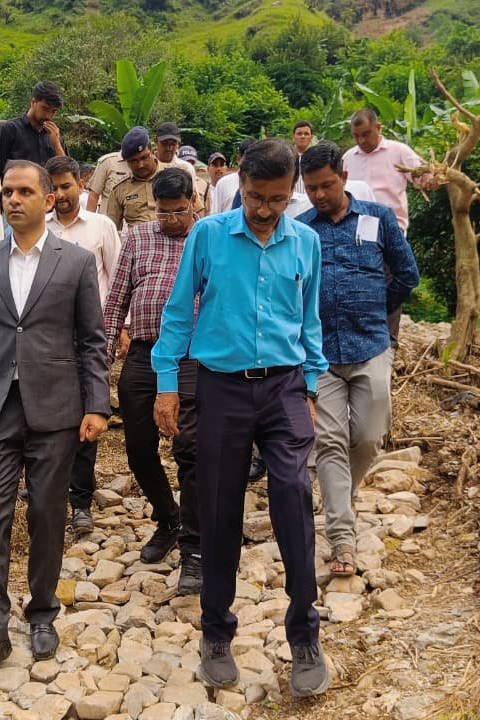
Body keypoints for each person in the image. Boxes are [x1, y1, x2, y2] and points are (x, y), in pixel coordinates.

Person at [152, 138, 331, 697]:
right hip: (221, 388)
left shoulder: (305, 242)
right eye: (255, 197)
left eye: (277, 199)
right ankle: (216, 632)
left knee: (293, 495)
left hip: (284, 387)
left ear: (291, 193)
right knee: (218, 506)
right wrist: (166, 384)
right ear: (241, 185)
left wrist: (311, 386)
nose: (264, 209)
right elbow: (178, 313)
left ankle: (305, 636)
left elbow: (310, 320)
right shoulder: (208, 235)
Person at [0, 160, 111, 674]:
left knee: (46, 514)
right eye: (7, 192)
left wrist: (97, 404)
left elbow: (91, 341)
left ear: (47, 200)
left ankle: (42, 613)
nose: (13, 199)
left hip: (56, 408)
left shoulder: (75, 262)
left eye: (24, 192)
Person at [297, 140, 419, 578]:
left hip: (371, 345)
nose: (319, 195)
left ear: (344, 178)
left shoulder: (378, 218)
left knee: (368, 437)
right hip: (321, 354)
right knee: (329, 441)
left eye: (326, 185)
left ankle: (340, 497)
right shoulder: (301, 229)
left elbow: (407, 274)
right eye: (311, 188)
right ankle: (342, 538)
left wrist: (376, 306)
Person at [103, 167, 203, 595]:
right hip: (144, 352)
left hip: (194, 357)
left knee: (190, 450)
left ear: (193, 203)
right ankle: (168, 518)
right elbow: (116, 301)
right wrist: (102, 359)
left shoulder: (207, 238)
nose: (171, 220)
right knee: (139, 448)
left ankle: (195, 547)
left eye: (178, 211)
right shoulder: (139, 237)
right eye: (163, 212)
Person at [45, 155, 122, 535]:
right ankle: (49, 486)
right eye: (53, 188)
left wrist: (120, 327)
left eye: (66, 186)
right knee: (46, 412)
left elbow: (118, 277)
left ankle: (80, 502)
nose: (60, 194)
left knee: (88, 413)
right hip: (46, 336)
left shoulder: (101, 226)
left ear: (81, 183)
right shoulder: (38, 229)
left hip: (91, 335)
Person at [343, 109, 437, 347]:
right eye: (356, 136)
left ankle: (389, 343)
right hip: (356, 232)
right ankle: (362, 339)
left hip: (391, 231)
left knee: (392, 281)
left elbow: (423, 176)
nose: (361, 140)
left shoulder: (399, 152)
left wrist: (431, 179)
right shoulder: (348, 158)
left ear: (378, 128)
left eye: (366, 134)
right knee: (359, 283)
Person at [0, 81, 66, 241]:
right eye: (45, 108)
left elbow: (66, 173)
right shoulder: (10, 129)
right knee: (2, 246)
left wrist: (57, 144)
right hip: (14, 207)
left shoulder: (54, 135)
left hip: (48, 211)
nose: (49, 116)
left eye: (54, 112)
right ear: (33, 102)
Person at [105, 126, 193, 231]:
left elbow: (197, 212)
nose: (140, 165)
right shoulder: (119, 189)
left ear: (151, 150)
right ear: (126, 162)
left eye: (144, 157)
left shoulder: (177, 177)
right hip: (138, 239)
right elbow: (112, 229)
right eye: (133, 161)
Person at [209, 139, 253, 216]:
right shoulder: (223, 183)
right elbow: (215, 214)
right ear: (239, 159)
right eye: (249, 158)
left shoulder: (263, 184)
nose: (252, 162)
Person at [178, 145, 211, 211]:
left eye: (192, 163)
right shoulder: (172, 183)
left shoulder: (204, 185)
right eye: (186, 162)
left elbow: (207, 211)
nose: (189, 166)